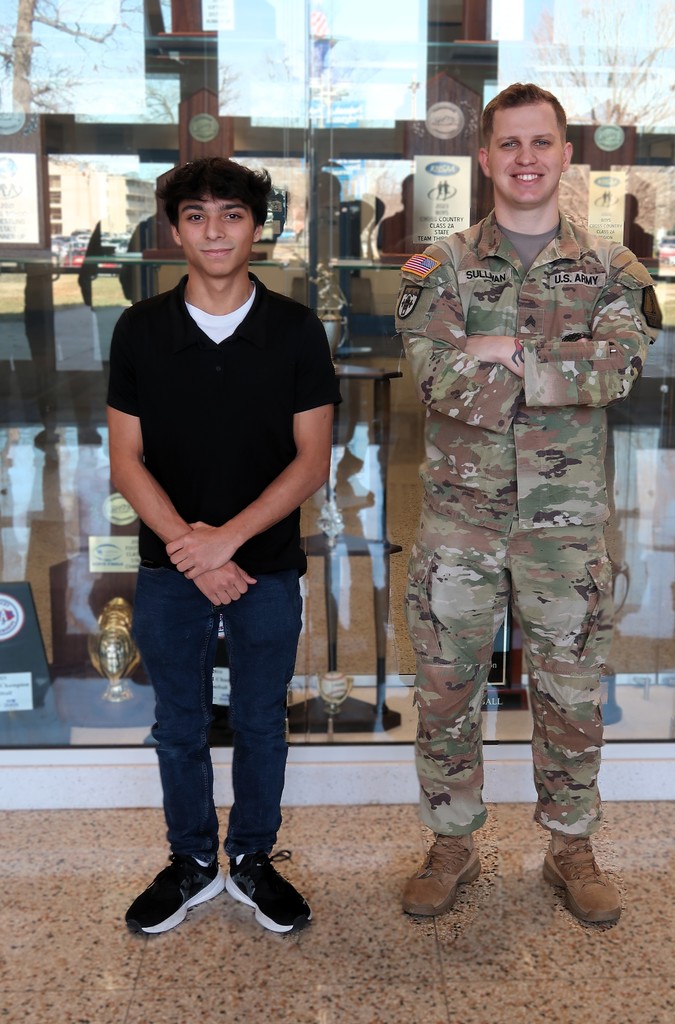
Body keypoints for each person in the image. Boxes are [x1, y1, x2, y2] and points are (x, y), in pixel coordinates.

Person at [395, 83, 661, 924]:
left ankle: (571, 850)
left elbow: (619, 370)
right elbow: (430, 376)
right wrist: (560, 362)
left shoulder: (613, 267)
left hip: (566, 525)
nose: (526, 159)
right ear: (485, 159)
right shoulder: (442, 265)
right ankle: (450, 842)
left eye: (541, 142)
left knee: (572, 692)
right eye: (508, 144)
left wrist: (505, 354)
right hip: (461, 522)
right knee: (446, 688)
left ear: (566, 153)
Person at [107, 156, 340, 935]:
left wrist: (227, 543)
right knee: (177, 723)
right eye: (198, 215)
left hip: (264, 569)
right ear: (174, 230)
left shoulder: (295, 329)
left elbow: (312, 460)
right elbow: (125, 459)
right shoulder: (140, 329)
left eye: (232, 214)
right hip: (170, 571)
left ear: (256, 229)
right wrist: (188, 548)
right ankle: (192, 862)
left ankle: (253, 859)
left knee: (260, 719)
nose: (215, 230)